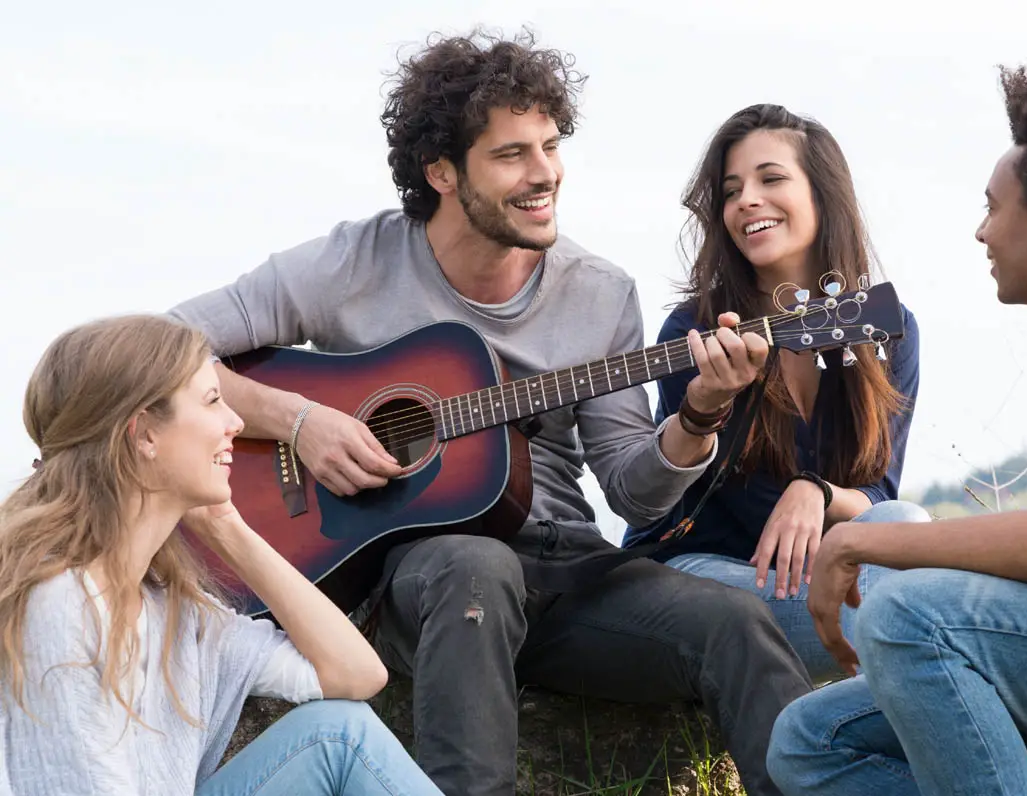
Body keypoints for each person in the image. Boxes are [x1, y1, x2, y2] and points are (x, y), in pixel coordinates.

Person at [167, 29, 814, 796]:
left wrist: (700, 416)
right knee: (476, 568)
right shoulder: (355, 262)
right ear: (442, 171)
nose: (546, 175)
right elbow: (156, 348)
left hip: (569, 573)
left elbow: (632, 490)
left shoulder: (599, 291)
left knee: (737, 626)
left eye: (551, 146)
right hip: (423, 579)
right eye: (513, 155)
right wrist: (300, 420)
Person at [766, 64, 1027, 796]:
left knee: (909, 610)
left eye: (993, 208)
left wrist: (870, 538)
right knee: (810, 741)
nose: (980, 232)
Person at [0, 315, 442, 795]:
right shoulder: (61, 602)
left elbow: (356, 674)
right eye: (213, 401)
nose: (235, 423)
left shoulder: (171, 609)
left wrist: (228, 529)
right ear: (144, 433)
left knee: (339, 735)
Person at [623, 104, 928, 683]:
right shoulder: (695, 333)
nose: (747, 201)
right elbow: (695, 501)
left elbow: (878, 493)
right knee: (906, 620)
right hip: (704, 571)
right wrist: (707, 405)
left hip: (820, 570)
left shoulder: (889, 328)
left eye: (771, 178)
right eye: (732, 190)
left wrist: (814, 490)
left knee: (905, 520)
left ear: (822, 194)